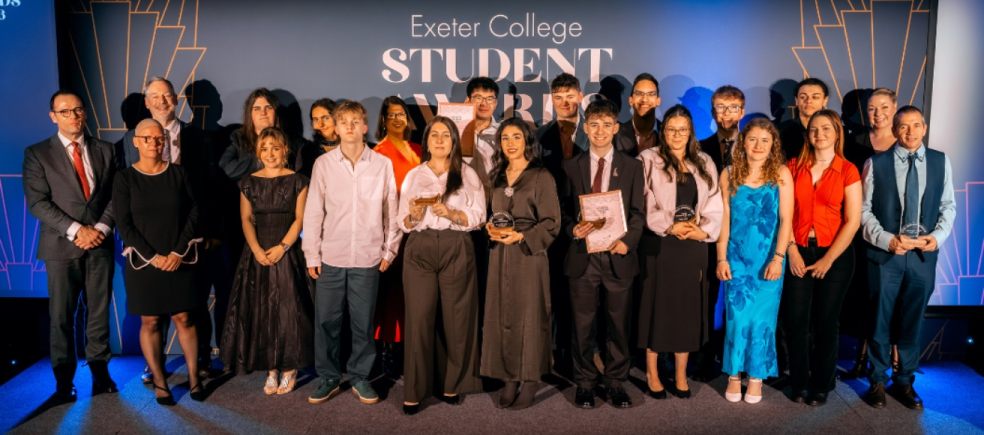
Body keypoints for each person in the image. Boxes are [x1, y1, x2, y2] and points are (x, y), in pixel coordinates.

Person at [303, 100, 401, 406]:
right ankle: (329, 377)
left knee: (363, 323)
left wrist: (390, 249)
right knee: (326, 322)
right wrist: (311, 254)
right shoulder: (324, 165)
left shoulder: (382, 164)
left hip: (368, 257)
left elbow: (391, 209)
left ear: (364, 126)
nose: (349, 126)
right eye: (343, 121)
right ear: (335, 127)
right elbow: (313, 211)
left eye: (354, 121)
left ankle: (360, 377)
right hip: (331, 256)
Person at [23, 90, 118, 402]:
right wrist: (77, 231)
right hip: (60, 247)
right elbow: (38, 203)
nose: (74, 116)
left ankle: (100, 372)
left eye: (78, 110)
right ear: (53, 116)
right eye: (65, 112)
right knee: (61, 316)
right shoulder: (38, 153)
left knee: (99, 313)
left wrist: (100, 229)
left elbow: (116, 196)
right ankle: (64, 381)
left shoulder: (106, 150)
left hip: (100, 244)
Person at [120, 76, 216, 383]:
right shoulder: (128, 141)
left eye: (167, 95)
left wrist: (200, 235)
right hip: (147, 242)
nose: (162, 101)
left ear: (176, 99)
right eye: (155, 96)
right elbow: (123, 203)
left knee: (192, 308)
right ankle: (155, 366)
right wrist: (142, 248)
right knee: (152, 314)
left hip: (188, 238)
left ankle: (200, 363)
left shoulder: (197, 136)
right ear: (146, 103)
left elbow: (207, 190)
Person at [861, 106, 955, 410]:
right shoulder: (876, 163)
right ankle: (877, 379)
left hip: (922, 257)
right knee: (880, 318)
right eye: (903, 126)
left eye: (916, 125)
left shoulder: (940, 161)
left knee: (912, 321)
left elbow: (948, 206)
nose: (910, 132)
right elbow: (863, 210)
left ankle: (904, 381)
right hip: (886, 255)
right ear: (894, 130)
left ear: (924, 128)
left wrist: (936, 238)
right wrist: (887, 240)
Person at [397, 116, 486, 415]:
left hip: (456, 246)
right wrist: (412, 216)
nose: (439, 140)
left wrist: (451, 214)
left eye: (445, 135)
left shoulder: (467, 174)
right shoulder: (414, 175)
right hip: (419, 249)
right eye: (433, 134)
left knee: (457, 319)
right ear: (426, 141)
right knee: (419, 319)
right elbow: (402, 222)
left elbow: (479, 216)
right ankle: (415, 390)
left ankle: (452, 383)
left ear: (454, 142)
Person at [560, 99, 645, 409]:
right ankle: (584, 382)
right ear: (585, 128)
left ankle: (615, 382)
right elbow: (562, 213)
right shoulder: (570, 166)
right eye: (594, 125)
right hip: (583, 257)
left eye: (606, 125)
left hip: (617, 254)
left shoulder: (633, 166)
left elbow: (638, 213)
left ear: (616, 128)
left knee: (618, 325)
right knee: (582, 325)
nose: (600, 131)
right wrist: (573, 229)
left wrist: (628, 242)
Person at [114, 118, 205, 405]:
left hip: (179, 258)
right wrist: (153, 257)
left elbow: (194, 211)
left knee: (184, 317)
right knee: (150, 320)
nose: (154, 143)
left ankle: (194, 378)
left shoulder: (179, 173)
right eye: (147, 138)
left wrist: (177, 252)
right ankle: (160, 382)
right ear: (136, 142)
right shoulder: (125, 179)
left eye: (159, 138)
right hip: (145, 263)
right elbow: (124, 224)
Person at [220, 127, 314, 395]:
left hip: (288, 252)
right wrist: (257, 250)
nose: (270, 154)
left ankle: (290, 368)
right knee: (261, 310)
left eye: (275, 148)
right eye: (264, 149)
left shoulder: (299, 180)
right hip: (257, 254)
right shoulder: (248, 182)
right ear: (257, 152)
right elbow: (246, 219)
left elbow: (300, 219)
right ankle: (271, 369)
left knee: (289, 311)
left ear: (285, 150)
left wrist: (283, 247)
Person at [637, 105, 722, 399]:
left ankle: (681, 373)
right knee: (657, 308)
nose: (677, 135)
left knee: (686, 311)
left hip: (692, 246)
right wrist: (669, 225)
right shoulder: (648, 159)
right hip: (661, 244)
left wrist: (704, 231)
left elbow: (715, 201)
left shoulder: (704, 161)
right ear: (664, 131)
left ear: (690, 132)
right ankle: (652, 372)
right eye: (671, 129)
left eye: (682, 130)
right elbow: (643, 199)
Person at [782, 110, 862, 406]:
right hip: (798, 250)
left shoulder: (848, 170)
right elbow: (784, 213)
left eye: (826, 128)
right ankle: (799, 382)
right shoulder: (792, 167)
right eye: (814, 129)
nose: (819, 134)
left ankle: (822, 384)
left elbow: (852, 221)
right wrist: (791, 250)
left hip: (835, 254)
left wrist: (828, 259)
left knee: (826, 322)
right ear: (808, 134)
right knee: (796, 321)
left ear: (837, 132)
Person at [481, 117, 561, 409]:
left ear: (527, 141)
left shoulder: (541, 176)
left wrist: (522, 236)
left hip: (529, 255)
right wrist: (490, 228)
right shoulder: (497, 176)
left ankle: (530, 379)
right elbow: (492, 214)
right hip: (500, 255)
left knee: (530, 316)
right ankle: (509, 377)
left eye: (516, 137)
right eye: (505, 138)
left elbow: (552, 222)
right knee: (503, 315)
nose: (510, 143)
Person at [717, 118, 793, 404]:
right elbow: (724, 221)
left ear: (773, 144)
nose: (758, 145)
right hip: (736, 260)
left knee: (762, 320)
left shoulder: (781, 174)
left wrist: (779, 257)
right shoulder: (728, 174)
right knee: (736, 319)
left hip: (768, 261)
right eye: (752, 139)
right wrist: (721, 258)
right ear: (743, 143)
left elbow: (786, 220)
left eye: (765, 140)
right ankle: (734, 375)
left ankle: (757, 376)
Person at [841, 88, 899, 379]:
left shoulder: (906, 141)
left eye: (884, 107)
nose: (878, 114)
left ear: (894, 108)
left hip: (898, 232)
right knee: (866, 296)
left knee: (896, 299)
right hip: (861, 229)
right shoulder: (855, 142)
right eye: (873, 108)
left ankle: (897, 364)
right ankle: (861, 358)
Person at [694, 85, 746, 382]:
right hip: (710, 235)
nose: (726, 113)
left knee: (742, 300)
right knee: (707, 298)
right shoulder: (700, 149)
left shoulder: (755, 146)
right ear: (713, 112)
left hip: (745, 235)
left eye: (732, 107)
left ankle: (737, 359)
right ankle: (705, 357)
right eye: (720, 108)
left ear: (742, 110)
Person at [372, 96, 422, 378]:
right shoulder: (377, 153)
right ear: (383, 120)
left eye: (401, 114)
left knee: (411, 294)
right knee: (389, 294)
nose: (397, 119)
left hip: (417, 231)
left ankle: (410, 350)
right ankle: (388, 350)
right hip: (389, 232)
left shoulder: (420, 150)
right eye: (391, 115)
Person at [219, 88, 305, 181]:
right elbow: (227, 169)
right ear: (250, 114)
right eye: (257, 109)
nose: (263, 113)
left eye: (268, 107)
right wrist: (263, 158)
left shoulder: (292, 141)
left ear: (276, 112)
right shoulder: (238, 138)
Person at [538, 73, 589, 183]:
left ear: (580, 97)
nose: (564, 103)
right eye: (558, 98)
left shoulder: (595, 132)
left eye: (570, 97)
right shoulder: (540, 135)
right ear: (552, 99)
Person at [461, 76, 502, 194]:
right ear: (468, 100)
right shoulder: (454, 131)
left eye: (490, 98)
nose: (484, 103)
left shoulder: (503, 133)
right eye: (478, 98)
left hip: (494, 198)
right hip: (462, 198)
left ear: (495, 103)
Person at [778, 78, 829, 160]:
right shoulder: (781, 131)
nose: (808, 101)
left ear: (825, 100)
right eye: (803, 97)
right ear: (796, 100)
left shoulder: (836, 131)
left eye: (815, 97)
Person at [616, 73, 661, 157]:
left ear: (658, 101)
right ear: (630, 100)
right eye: (639, 94)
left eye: (651, 94)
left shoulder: (668, 134)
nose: (644, 99)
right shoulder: (615, 134)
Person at [298, 98, 339, 177]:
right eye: (316, 119)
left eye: (325, 118)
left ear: (337, 118)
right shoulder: (308, 150)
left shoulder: (351, 146)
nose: (321, 124)